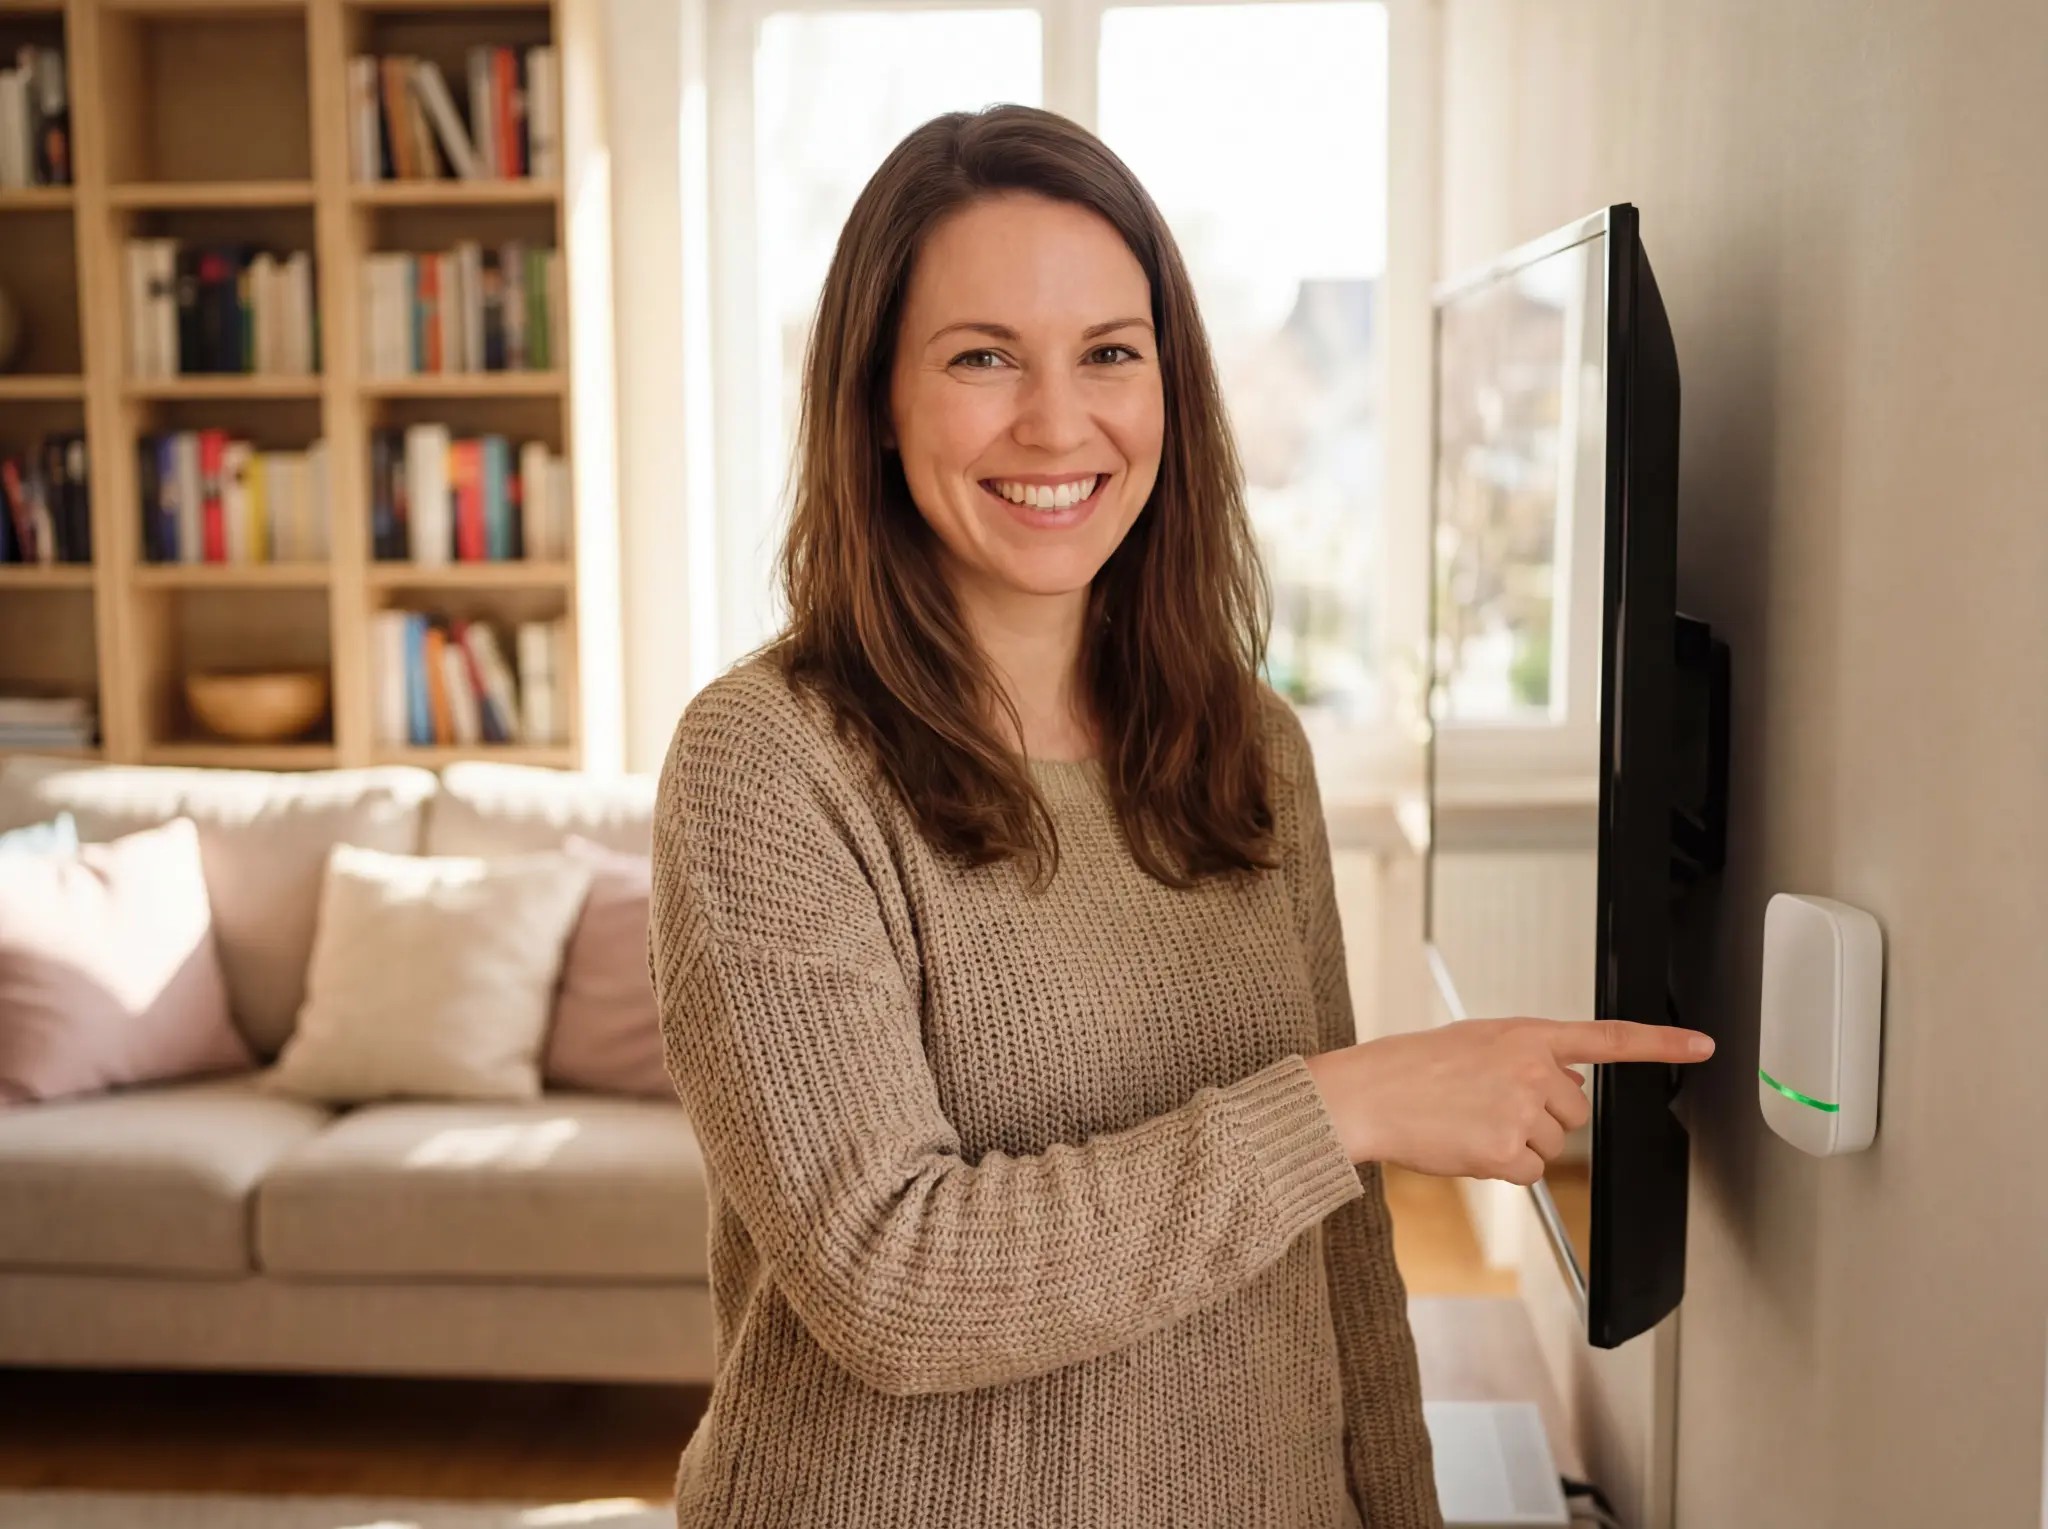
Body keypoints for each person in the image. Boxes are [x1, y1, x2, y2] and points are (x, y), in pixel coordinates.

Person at [647, 103, 1715, 1529]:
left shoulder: (1249, 747)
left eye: (1109, 353)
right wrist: (1351, 1100)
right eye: (982, 358)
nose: (1057, 421)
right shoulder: (767, 764)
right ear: (876, 407)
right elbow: (892, 1278)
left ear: (1171, 388)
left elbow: (1339, 1264)